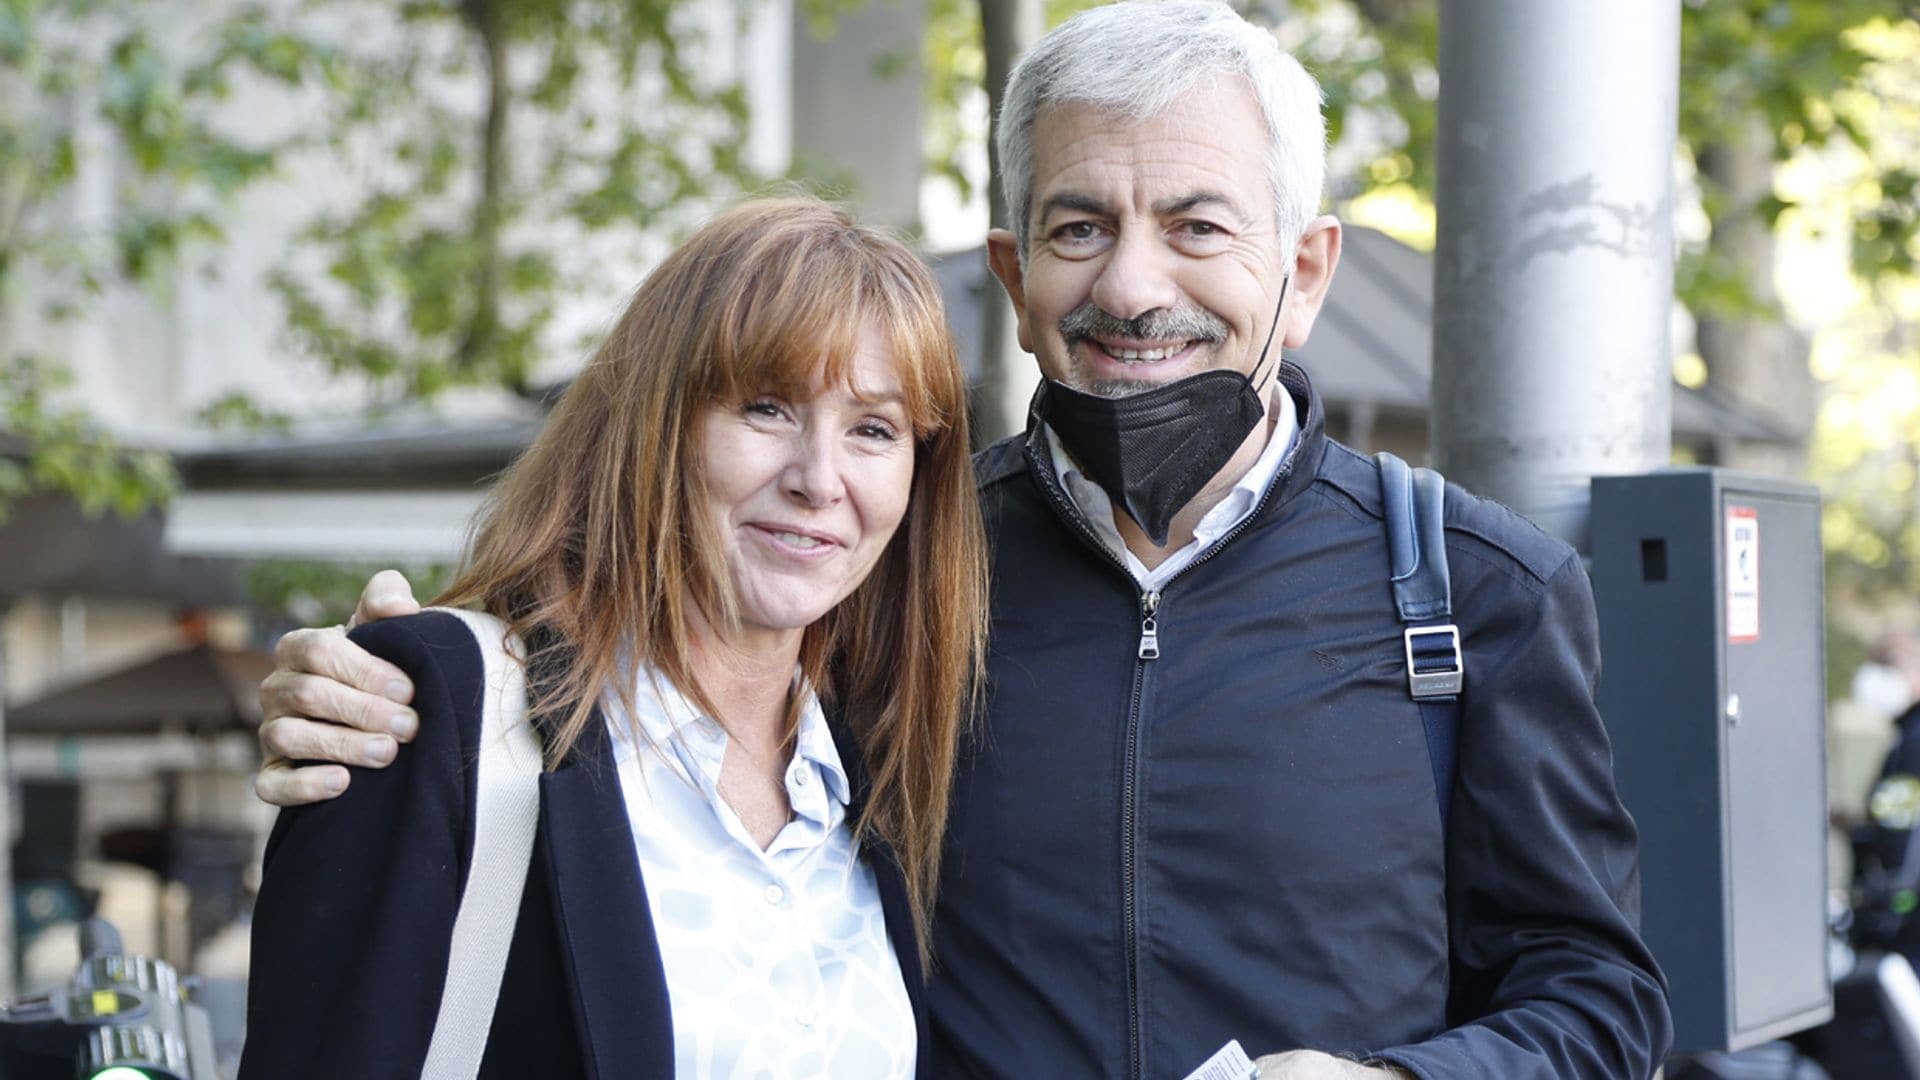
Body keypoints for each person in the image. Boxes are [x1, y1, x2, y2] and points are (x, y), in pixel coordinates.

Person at [252, 3, 1673, 1077]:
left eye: (1196, 226)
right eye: (1077, 226)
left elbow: (1605, 1005)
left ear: (1300, 275)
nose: (1131, 281)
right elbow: (633, 666)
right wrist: (406, 686)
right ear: (1012, 276)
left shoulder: (1474, 597)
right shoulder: (899, 569)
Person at [239, 197, 988, 1078]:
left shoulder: (875, 773)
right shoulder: (435, 713)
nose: (819, 480)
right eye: (766, 409)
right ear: (658, 425)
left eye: (873, 429)